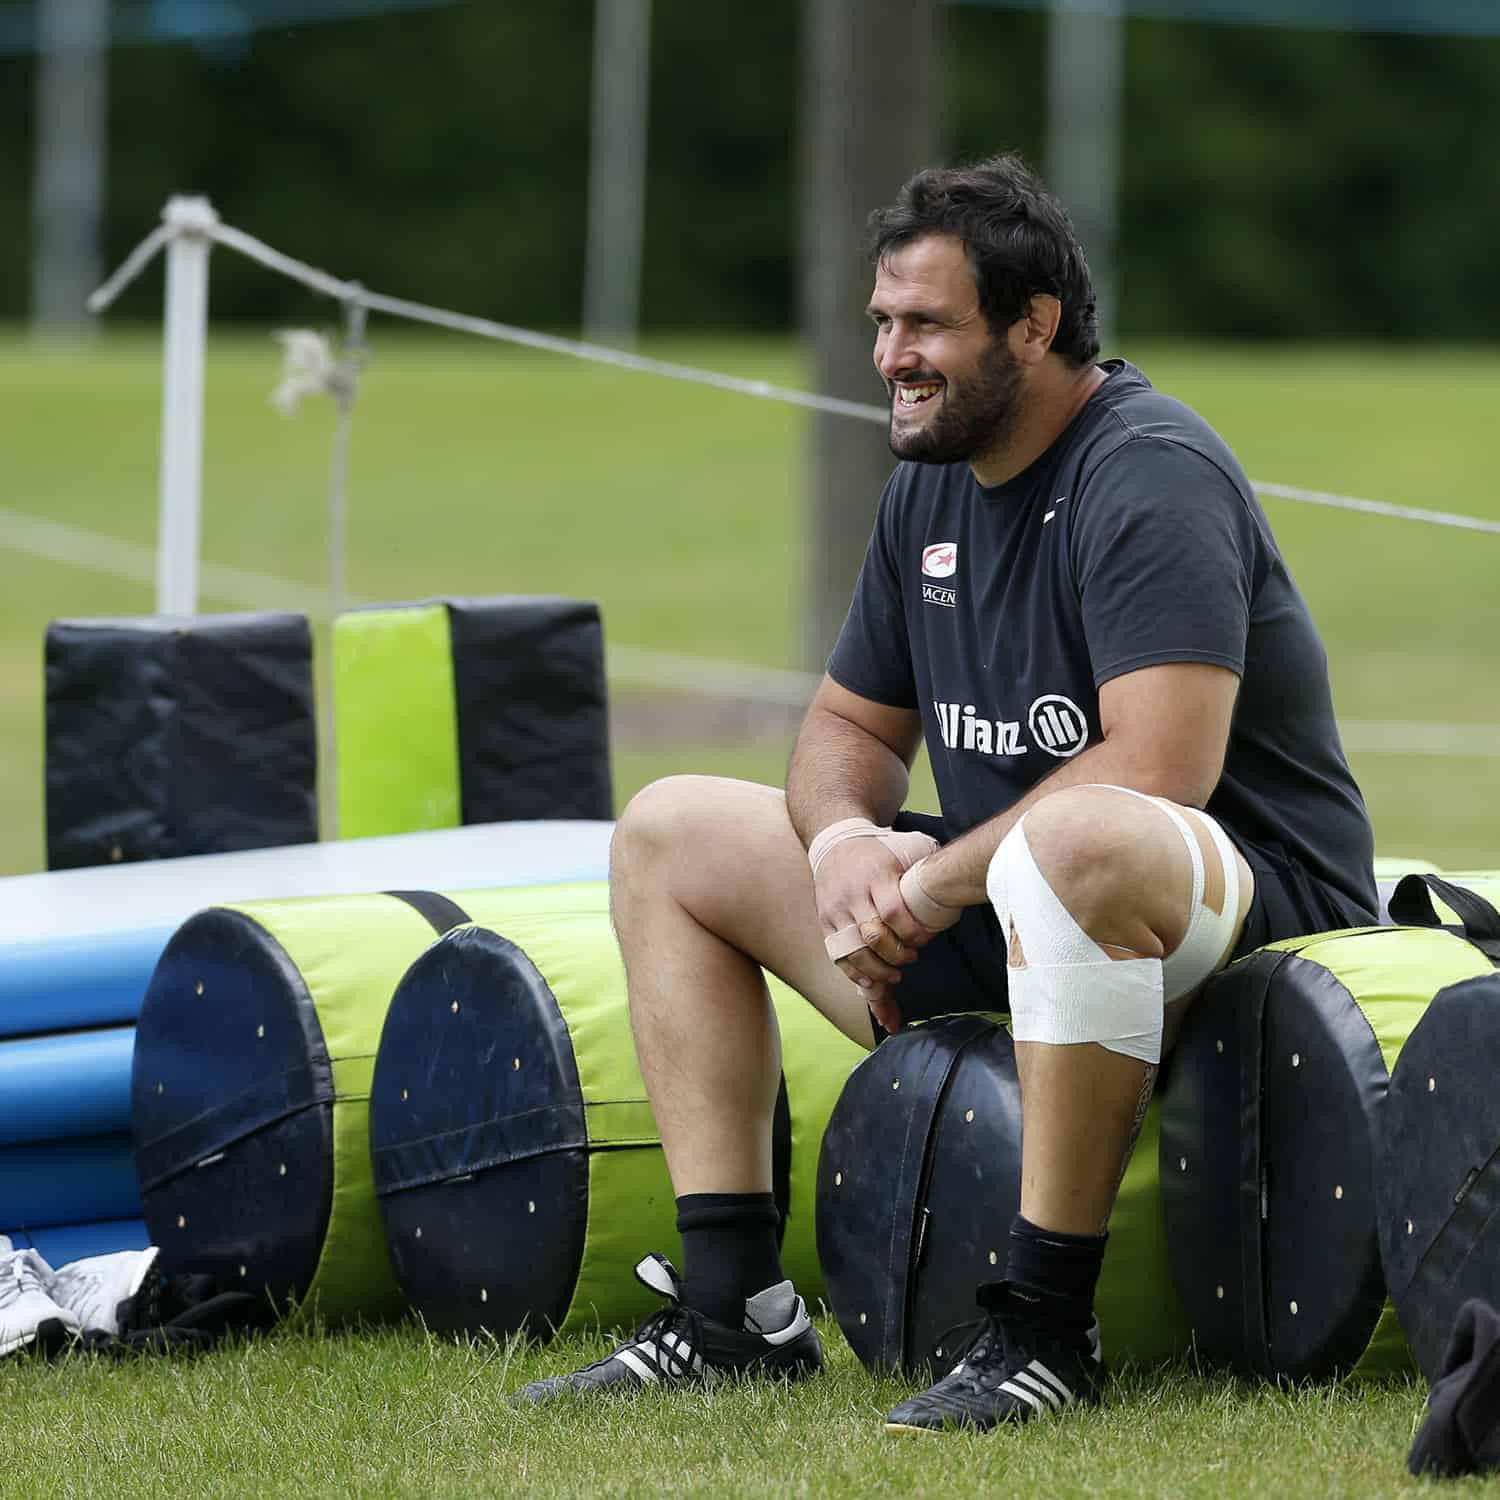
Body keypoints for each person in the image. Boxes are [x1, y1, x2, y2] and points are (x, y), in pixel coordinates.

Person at [514, 153, 1378, 1430]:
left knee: (1077, 840)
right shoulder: (926, 479)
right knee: (670, 831)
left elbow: (1159, 771)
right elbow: (844, 725)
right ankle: (735, 1311)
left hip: (1239, 931)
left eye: (927, 324)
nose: (892, 355)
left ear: (1033, 328)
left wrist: (921, 881)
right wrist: (844, 842)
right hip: (997, 894)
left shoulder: (1148, 471)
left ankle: (1042, 1330)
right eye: (881, 321)